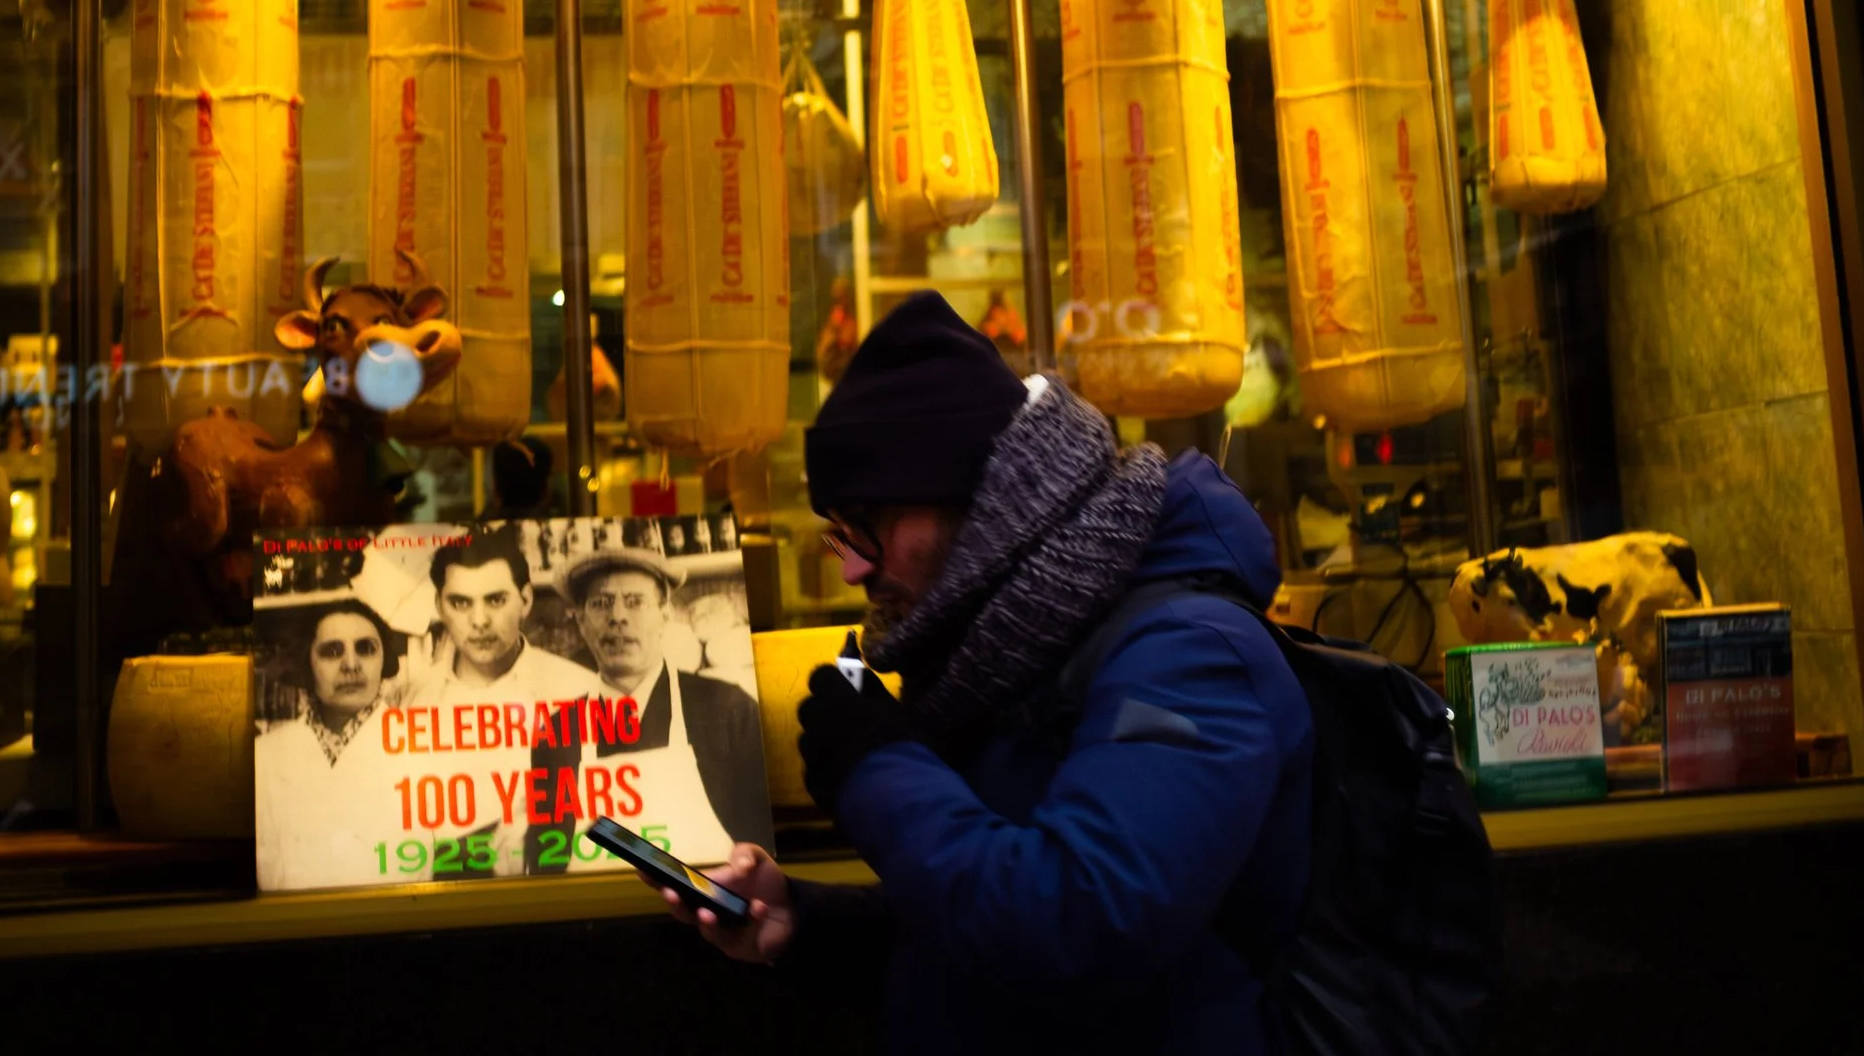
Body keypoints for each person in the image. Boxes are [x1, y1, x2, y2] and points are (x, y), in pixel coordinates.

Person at [654, 293, 1314, 1054]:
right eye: (839, 534)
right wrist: (805, 923)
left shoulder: (1190, 655)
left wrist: (876, 766)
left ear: (984, 500)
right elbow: (980, 911)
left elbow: (1075, 934)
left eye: (870, 523)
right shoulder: (1003, 649)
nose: (854, 570)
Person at [533, 547, 771, 872]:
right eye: (601, 604)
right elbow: (548, 859)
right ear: (581, 620)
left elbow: (762, 853)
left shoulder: (727, 707)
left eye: (635, 601)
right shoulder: (557, 731)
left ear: (665, 614)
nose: (618, 616)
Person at [394, 526, 601, 875]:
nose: (479, 621)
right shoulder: (413, 701)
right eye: (460, 603)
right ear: (439, 608)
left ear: (526, 601)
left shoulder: (579, 688)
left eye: (495, 599)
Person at [253, 598, 412, 891]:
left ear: (384, 660)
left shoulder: (422, 746)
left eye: (366, 648)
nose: (350, 665)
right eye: (332, 651)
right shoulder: (264, 756)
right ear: (307, 664)